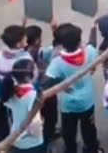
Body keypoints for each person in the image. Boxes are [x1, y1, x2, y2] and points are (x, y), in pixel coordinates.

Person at [43, 24, 100, 153]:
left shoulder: (57, 62)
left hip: (68, 105)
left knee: (68, 132)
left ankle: (70, 149)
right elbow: (92, 44)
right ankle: (91, 149)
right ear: (79, 41)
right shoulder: (89, 52)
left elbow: (47, 82)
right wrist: (93, 28)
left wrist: (62, 83)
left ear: (61, 45)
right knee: (89, 129)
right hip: (87, 101)